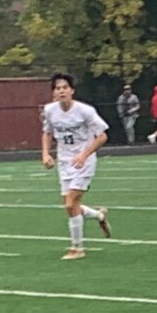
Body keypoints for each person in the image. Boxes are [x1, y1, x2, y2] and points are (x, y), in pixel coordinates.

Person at [41, 72, 112, 260]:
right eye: (58, 88)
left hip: (84, 161)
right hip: (64, 162)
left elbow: (102, 136)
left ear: (72, 90)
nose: (61, 91)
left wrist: (84, 154)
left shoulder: (85, 111)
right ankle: (98, 215)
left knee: (71, 202)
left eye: (65, 87)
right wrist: (46, 154)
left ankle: (77, 248)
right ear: (54, 92)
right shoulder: (50, 110)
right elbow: (47, 132)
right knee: (70, 206)